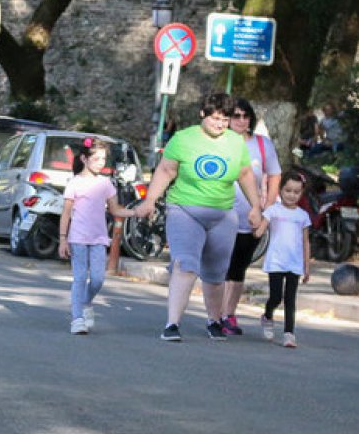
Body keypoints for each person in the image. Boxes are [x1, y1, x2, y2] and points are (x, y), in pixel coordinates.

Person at [132, 92, 263, 342]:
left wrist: (255, 206)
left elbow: (245, 174)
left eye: (224, 119)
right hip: (185, 210)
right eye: (215, 118)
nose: (220, 124)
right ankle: (172, 324)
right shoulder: (183, 138)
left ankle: (214, 320)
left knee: (216, 272)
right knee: (186, 264)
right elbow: (166, 170)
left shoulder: (235, 142)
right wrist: (150, 200)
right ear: (203, 114)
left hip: (223, 213)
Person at [57, 139, 134, 334]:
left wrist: (136, 212)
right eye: (97, 158)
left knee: (98, 279)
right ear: (84, 159)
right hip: (78, 238)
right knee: (80, 278)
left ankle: (86, 302)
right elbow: (66, 213)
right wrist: (63, 239)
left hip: (99, 238)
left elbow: (115, 209)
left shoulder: (105, 183)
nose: (101, 163)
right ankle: (77, 319)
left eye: (104, 159)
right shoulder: (74, 183)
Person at [220, 99, 282, 334]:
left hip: (249, 217)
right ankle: (216, 314)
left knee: (238, 267)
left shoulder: (262, 144)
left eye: (246, 116)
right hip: (220, 214)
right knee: (221, 266)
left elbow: (275, 175)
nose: (241, 120)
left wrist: (267, 209)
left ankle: (229, 315)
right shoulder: (219, 141)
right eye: (236, 116)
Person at [255, 171, 311, 348]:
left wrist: (306, 266)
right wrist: (255, 227)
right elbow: (260, 231)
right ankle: (268, 316)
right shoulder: (273, 211)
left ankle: (289, 333)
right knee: (276, 297)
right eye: (288, 190)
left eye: (296, 192)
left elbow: (305, 242)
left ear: (301, 193)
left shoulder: (302, 216)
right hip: (276, 261)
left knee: (290, 299)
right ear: (280, 190)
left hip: (294, 263)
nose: (292, 195)